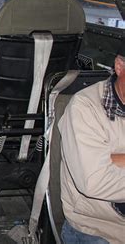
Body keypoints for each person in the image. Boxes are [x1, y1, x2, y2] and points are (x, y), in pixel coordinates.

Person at [59, 44, 125, 244]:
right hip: (101, 229)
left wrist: (115, 159)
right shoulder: (85, 108)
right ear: (120, 66)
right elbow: (95, 181)